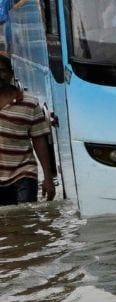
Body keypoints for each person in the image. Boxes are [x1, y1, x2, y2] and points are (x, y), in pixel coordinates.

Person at [0, 54, 56, 206]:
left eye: (2, 71)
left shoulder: (29, 103)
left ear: (11, 73)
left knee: (25, 218)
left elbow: (39, 140)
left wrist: (48, 178)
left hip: (23, 173)